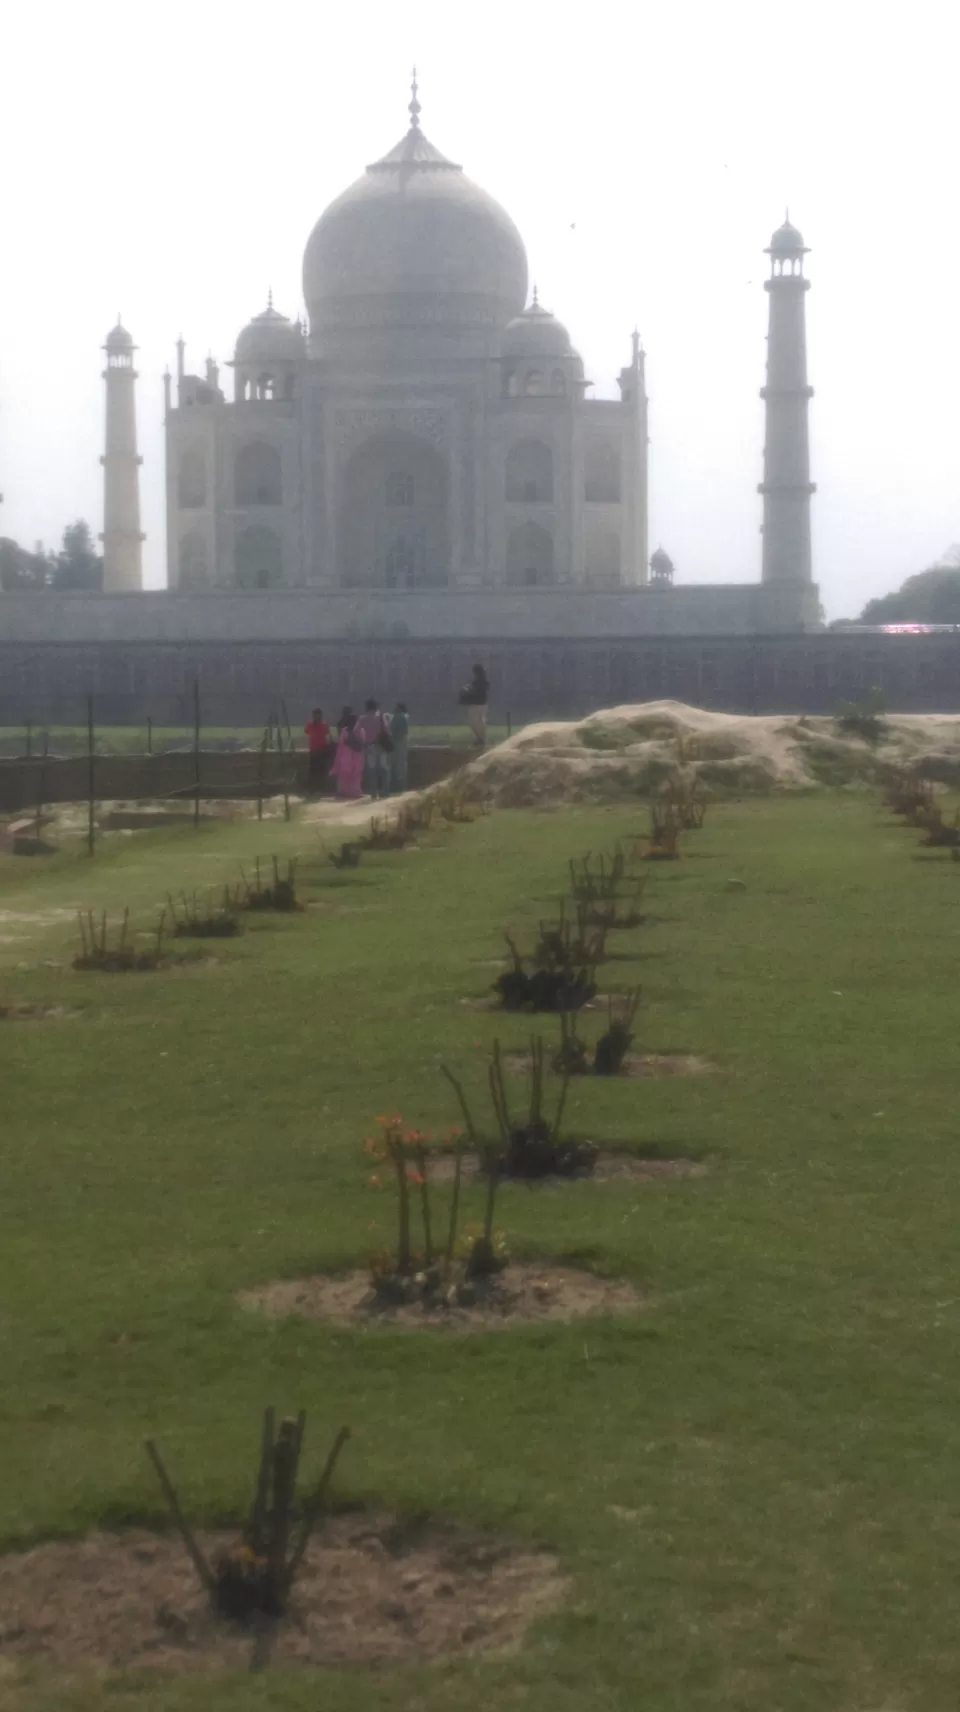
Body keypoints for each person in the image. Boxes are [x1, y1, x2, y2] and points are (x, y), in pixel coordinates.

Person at [356, 697, 391, 798]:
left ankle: (373, 792)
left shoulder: (362, 718)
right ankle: (385, 791)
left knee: (371, 770)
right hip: (381, 745)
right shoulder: (381, 716)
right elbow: (387, 729)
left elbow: (356, 731)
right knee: (383, 768)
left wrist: (363, 739)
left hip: (369, 745)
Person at [330, 711, 364, 800]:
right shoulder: (348, 731)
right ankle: (349, 792)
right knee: (347, 774)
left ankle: (351, 791)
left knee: (353, 774)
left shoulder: (356, 731)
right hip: (348, 756)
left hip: (351, 756)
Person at [459, 663, 489, 748]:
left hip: (477, 705)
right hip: (480, 704)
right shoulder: (480, 681)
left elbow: (475, 691)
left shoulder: (480, 682)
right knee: (477, 723)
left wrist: (466, 690)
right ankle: (480, 739)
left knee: (476, 722)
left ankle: (481, 740)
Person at [303, 706, 332, 792]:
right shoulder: (323, 724)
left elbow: (307, 732)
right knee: (319, 770)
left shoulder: (310, 724)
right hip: (320, 750)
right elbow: (327, 734)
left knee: (314, 770)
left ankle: (313, 789)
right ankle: (319, 788)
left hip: (316, 750)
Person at [388, 701, 410, 794]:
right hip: (400, 743)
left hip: (397, 743)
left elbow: (395, 731)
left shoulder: (399, 717)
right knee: (400, 765)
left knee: (397, 765)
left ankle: (398, 786)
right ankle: (400, 786)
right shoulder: (403, 717)